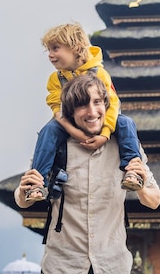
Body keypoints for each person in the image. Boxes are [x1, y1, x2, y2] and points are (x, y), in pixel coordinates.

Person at [15, 74, 160, 274]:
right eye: (83, 105)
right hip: (63, 265)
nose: (92, 112)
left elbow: (154, 201)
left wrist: (141, 185)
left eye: (97, 102)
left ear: (106, 105)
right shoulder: (55, 145)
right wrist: (24, 191)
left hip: (112, 265)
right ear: (70, 112)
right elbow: (23, 201)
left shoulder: (126, 146)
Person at [27, 23, 143, 201]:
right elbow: (57, 109)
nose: (50, 55)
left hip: (99, 119)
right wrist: (74, 132)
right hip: (67, 121)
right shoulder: (56, 78)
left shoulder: (100, 74)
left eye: (55, 48)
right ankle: (37, 182)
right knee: (48, 131)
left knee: (126, 123)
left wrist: (104, 134)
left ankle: (133, 170)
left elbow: (112, 105)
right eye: (49, 50)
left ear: (75, 48)